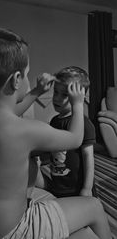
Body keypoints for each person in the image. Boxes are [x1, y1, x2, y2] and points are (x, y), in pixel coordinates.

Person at [0, 22, 111, 239]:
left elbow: (10, 111)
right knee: (94, 206)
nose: (28, 76)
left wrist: (35, 91)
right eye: (26, 73)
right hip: (15, 231)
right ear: (16, 80)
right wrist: (79, 103)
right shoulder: (25, 129)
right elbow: (74, 139)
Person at [37, 66, 97, 198]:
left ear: (79, 98)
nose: (57, 98)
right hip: (58, 183)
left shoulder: (84, 124)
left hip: (77, 188)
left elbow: (88, 157)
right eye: (56, 92)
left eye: (65, 95)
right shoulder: (54, 121)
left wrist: (87, 188)